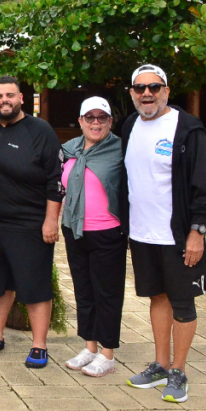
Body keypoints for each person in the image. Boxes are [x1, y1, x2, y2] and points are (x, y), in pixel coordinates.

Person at [122, 64, 206, 403]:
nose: (146, 93)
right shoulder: (130, 125)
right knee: (157, 298)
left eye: (154, 87)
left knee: (183, 302)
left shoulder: (187, 128)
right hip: (142, 234)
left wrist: (198, 231)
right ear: (132, 92)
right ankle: (161, 364)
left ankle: (179, 370)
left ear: (166, 90)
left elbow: (205, 186)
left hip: (178, 236)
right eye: (139, 88)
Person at [0, 76, 63, 369]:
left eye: (9, 95)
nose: (4, 101)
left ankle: (39, 344)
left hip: (30, 224)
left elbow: (56, 180)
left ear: (21, 98)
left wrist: (51, 220)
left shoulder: (40, 131)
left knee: (34, 285)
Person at [61, 96, 127, 378]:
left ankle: (108, 353)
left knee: (107, 294)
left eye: (102, 117)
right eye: (90, 117)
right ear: (80, 121)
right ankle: (89, 346)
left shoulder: (120, 150)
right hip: (74, 230)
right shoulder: (68, 149)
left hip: (108, 232)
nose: (96, 122)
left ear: (110, 122)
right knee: (84, 290)